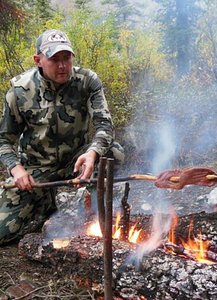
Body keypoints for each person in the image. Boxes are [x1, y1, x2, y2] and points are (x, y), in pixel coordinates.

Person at [0, 29, 124, 245]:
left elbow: (104, 125)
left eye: (66, 58)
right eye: (54, 59)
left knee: (113, 152)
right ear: (38, 60)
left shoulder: (87, 81)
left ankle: (93, 214)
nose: (62, 65)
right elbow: (3, 140)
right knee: (3, 232)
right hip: (36, 170)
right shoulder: (19, 90)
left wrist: (92, 153)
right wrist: (16, 169)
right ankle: (46, 204)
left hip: (76, 161)